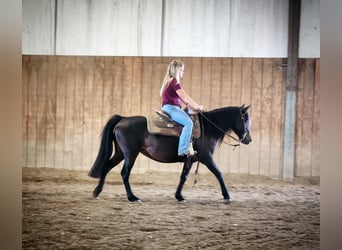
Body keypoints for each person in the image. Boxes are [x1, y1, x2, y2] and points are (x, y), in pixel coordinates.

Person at [160, 60, 204, 156]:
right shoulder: (175, 82)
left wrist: (193, 107)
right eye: (181, 70)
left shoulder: (168, 82)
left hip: (169, 108)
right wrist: (198, 107)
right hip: (172, 109)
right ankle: (183, 149)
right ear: (177, 71)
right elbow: (185, 98)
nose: (183, 73)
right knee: (188, 123)